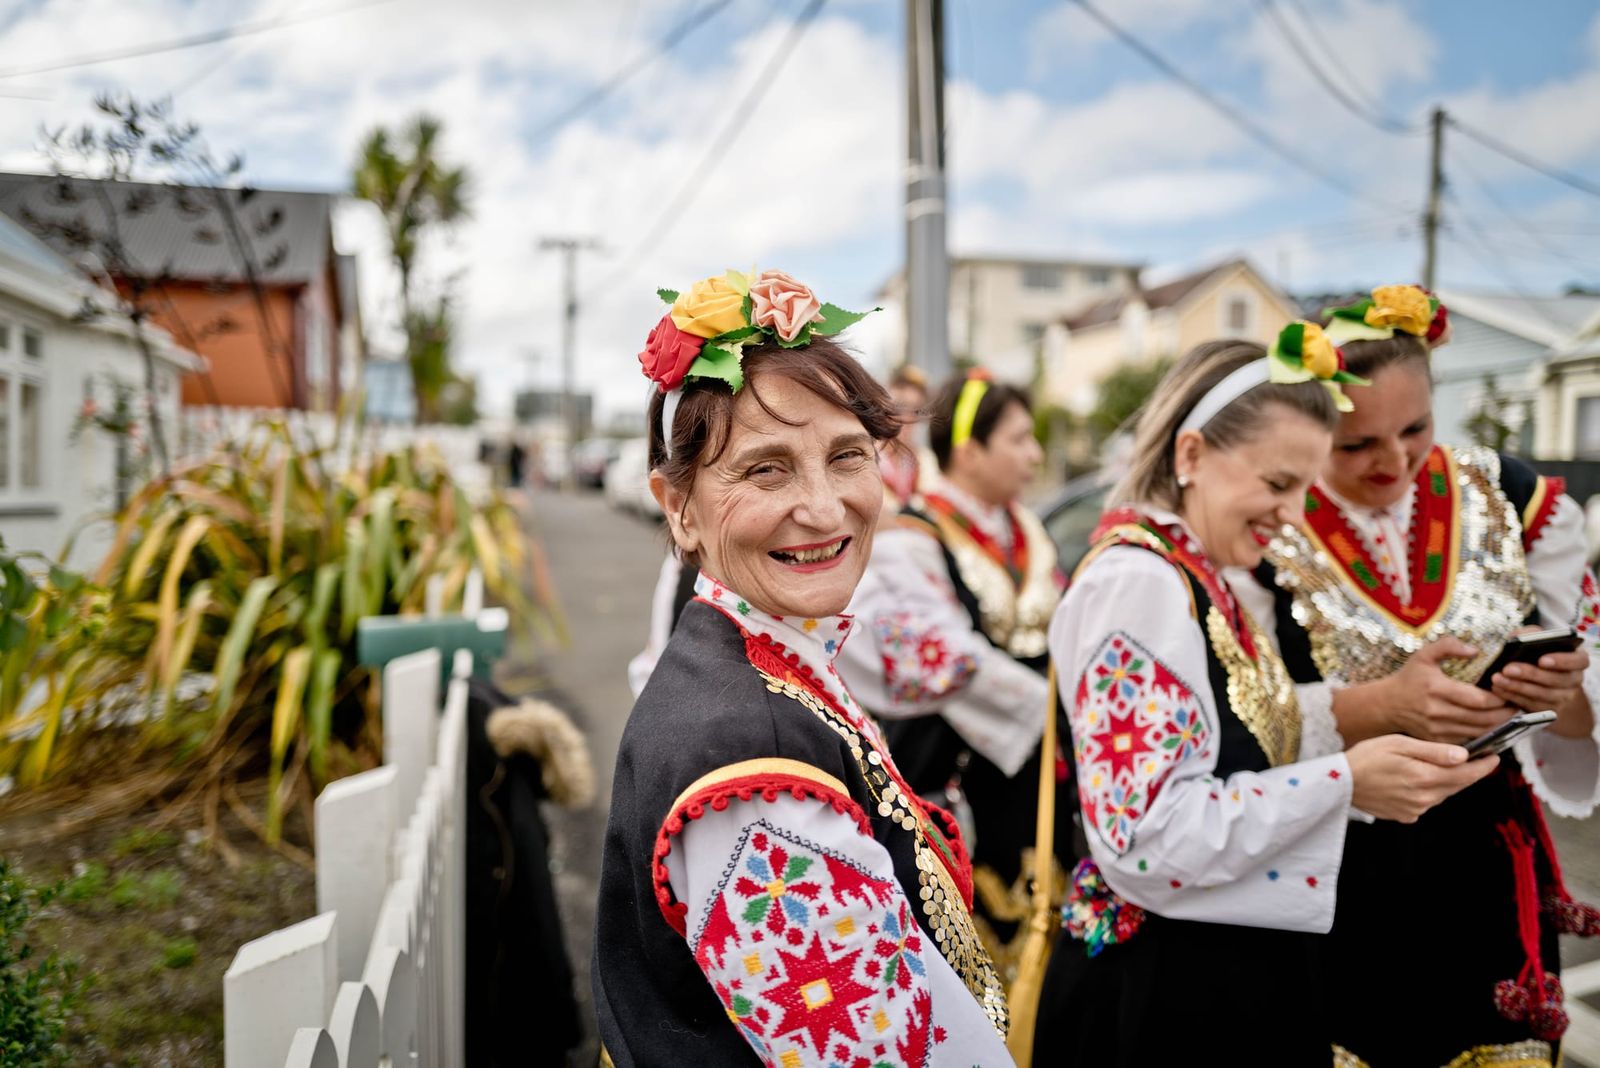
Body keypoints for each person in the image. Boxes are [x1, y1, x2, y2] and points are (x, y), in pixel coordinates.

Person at [1036, 330, 1501, 1065]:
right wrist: (1349, 781)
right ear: (1190, 457)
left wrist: (1378, 720)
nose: (1293, 516)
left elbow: (1245, 728)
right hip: (1167, 1002)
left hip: (1211, 975)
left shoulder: (1198, 575)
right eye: (1278, 485)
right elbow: (1146, 840)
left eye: (1305, 492)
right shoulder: (1140, 585)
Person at [594, 269, 1013, 1066]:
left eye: (849, 456)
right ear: (677, 505)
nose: (825, 509)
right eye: (766, 469)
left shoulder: (764, 657)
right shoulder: (746, 758)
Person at [1249, 285, 1600, 1066]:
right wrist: (1379, 705)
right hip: (1339, 863)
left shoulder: (1513, 499)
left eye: (1416, 429)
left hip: (1485, 858)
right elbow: (1241, 716)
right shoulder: (1267, 520)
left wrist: (1559, 694)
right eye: (1356, 444)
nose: (1394, 461)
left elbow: (1580, 723)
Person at [837, 369, 1068, 977]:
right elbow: (935, 658)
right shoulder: (911, 536)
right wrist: (1055, 704)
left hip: (1038, 768)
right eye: (1019, 439)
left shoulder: (1028, 531)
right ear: (969, 451)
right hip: (962, 772)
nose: (1034, 454)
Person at [880, 363, 931, 508]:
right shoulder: (866, 455)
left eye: (915, 411)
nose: (907, 418)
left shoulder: (924, 461)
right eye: (900, 407)